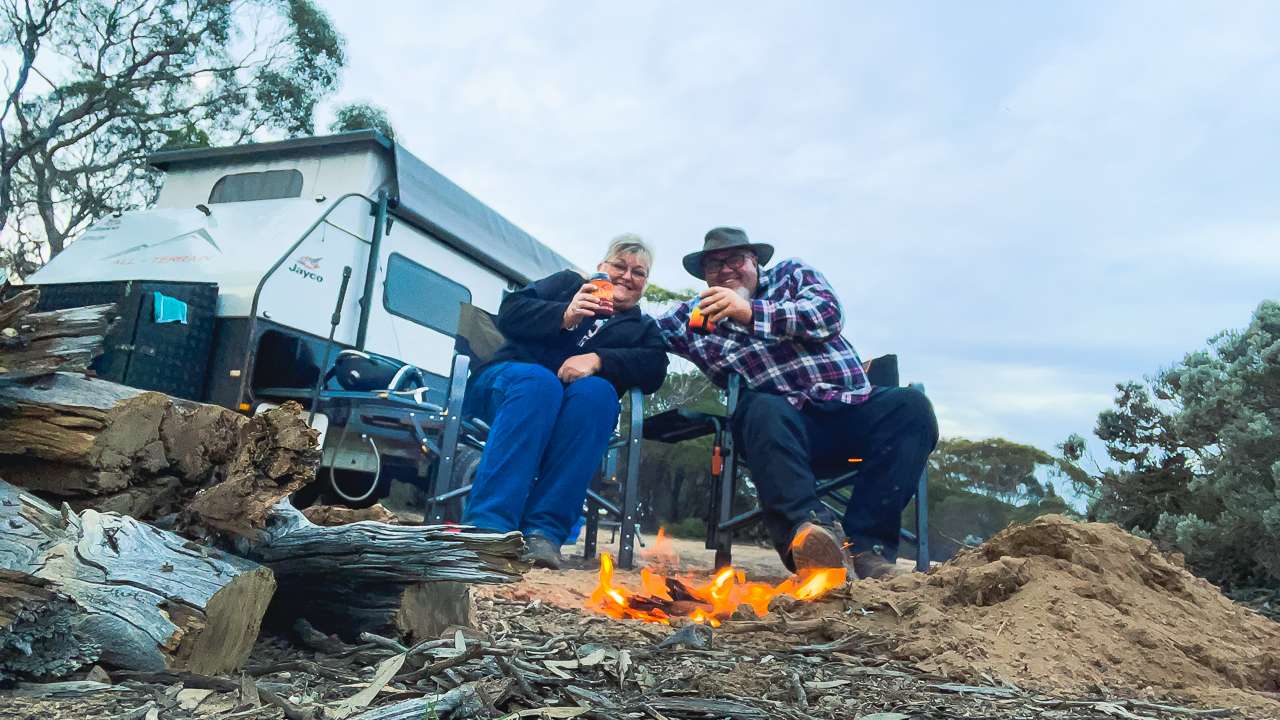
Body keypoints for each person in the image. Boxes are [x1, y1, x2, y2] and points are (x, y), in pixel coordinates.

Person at [656, 227, 938, 579]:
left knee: (911, 406)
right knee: (760, 406)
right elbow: (643, 330)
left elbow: (827, 315)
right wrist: (600, 296)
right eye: (713, 264)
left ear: (755, 262)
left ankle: (867, 550)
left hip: (850, 408)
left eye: (735, 259)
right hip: (782, 432)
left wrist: (749, 311)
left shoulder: (792, 275)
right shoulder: (694, 316)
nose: (725, 269)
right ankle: (811, 540)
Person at [462, 235, 668, 569]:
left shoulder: (642, 328)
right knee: (540, 385)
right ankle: (489, 528)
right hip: (509, 386)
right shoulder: (567, 285)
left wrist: (599, 359)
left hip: (572, 415)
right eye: (619, 265)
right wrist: (566, 314)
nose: (627, 276)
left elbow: (655, 367)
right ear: (601, 267)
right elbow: (510, 311)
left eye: (639, 272)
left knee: (598, 395)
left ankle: (544, 533)